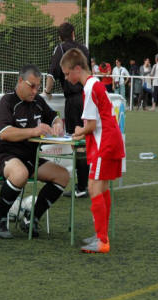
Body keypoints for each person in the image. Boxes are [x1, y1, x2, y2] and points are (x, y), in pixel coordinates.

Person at [0, 64, 69, 239]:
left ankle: (31, 218)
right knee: (20, 174)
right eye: (31, 86)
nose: (35, 90)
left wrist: (57, 124)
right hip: (4, 155)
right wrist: (34, 131)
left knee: (63, 176)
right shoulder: (7, 101)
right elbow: (4, 133)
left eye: (38, 87)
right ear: (20, 81)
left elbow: (54, 116)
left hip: (31, 157)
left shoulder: (38, 102)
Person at [60, 48, 125, 254]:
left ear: (77, 69)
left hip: (104, 142)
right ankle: (101, 236)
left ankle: (102, 241)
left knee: (93, 187)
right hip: (110, 139)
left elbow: (90, 125)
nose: (65, 77)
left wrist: (77, 132)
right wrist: (80, 133)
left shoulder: (89, 88)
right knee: (102, 187)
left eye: (66, 73)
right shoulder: (95, 84)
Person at [44, 22, 90, 199]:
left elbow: (51, 75)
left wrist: (46, 93)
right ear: (73, 33)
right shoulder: (84, 49)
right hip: (86, 96)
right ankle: (87, 184)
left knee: (76, 141)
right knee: (85, 140)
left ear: (59, 37)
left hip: (73, 100)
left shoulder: (60, 49)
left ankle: (82, 187)